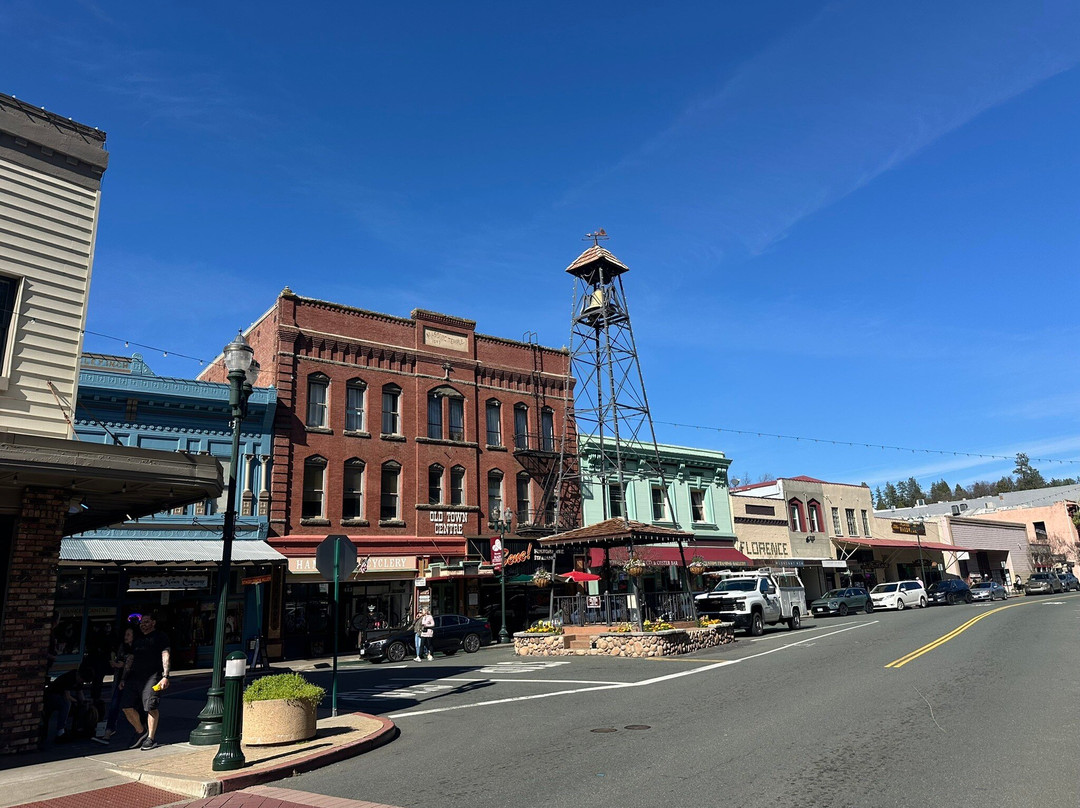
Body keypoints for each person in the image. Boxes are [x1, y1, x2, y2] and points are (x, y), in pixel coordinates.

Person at [121, 614, 170, 751]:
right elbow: (130, 658)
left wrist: (165, 676)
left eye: (146, 622)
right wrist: (124, 678)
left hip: (153, 677)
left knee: (151, 706)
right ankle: (141, 732)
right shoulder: (137, 638)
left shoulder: (160, 637)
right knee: (126, 706)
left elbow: (165, 654)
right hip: (134, 677)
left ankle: (151, 738)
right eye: (142, 622)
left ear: (153, 622)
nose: (143, 624)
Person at [91, 626, 135, 745]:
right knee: (114, 706)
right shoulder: (122, 648)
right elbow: (120, 661)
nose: (126, 637)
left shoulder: (136, 649)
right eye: (125, 634)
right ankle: (108, 732)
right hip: (120, 681)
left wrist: (122, 665)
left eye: (129, 635)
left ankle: (140, 731)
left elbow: (130, 665)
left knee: (132, 707)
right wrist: (116, 664)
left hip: (132, 682)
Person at [44, 664, 88, 742]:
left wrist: (84, 702)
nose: (81, 682)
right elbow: (67, 696)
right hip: (52, 695)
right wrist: (76, 701)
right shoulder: (70, 677)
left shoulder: (79, 681)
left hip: (60, 695)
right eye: (81, 680)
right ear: (79, 675)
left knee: (81, 705)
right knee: (66, 704)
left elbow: (80, 693)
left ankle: (78, 728)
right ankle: (60, 731)